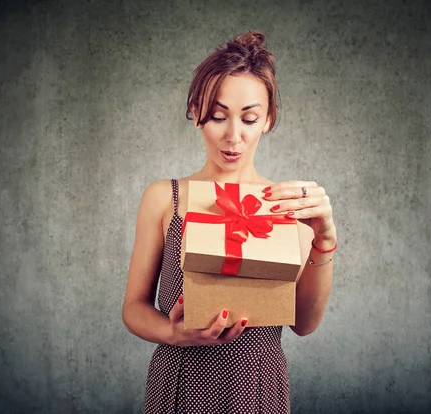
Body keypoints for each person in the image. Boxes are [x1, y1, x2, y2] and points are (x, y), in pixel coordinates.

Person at [122, 30, 336, 413]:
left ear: (268, 120)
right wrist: (172, 333)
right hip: (179, 382)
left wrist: (324, 240)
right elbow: (134, 308)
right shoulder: (165, 198)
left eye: (249, 118)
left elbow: (304, 324)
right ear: (195, 114)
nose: (233, 136)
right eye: (218, 116)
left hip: (257, 388)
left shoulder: (287, 206)